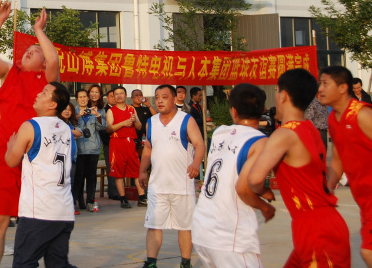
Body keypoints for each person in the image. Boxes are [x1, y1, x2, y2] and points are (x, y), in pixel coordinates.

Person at [0, 1, 60, 268]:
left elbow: (55, 59)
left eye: (35, 51)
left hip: (33, 162)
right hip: (4, 160)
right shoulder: (9, 73)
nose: (29, 52)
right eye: (27, 50)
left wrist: (39, 31)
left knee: (35, 223)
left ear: (43, 61)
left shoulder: (46, 82)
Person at [248, 68, 351, 268]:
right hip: (323, 224)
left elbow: (254, 178)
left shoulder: (284, 134)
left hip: (316, 231)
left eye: (276, 92)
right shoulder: (310, 128)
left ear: (283, 94)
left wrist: (264, 192)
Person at [191, 84, 274, 268]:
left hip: (202, 226)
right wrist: (266, 208)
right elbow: (243, 188)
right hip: (229, 234)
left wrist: (262, 190)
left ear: (233, 111)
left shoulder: (220, 133)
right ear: (262, 110)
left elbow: (233, 170)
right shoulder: (259, 141)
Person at [5, 82, 77, 268]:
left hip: (39, 212)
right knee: (57, 264)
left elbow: (11, 161)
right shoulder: (66, 129)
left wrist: (10, 148)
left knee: (24, 263)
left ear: (53, 104)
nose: (38, 94)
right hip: (64, 211)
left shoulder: (31, 126)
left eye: (44, 92)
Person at [138, 85, 205, 268]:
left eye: (164, 97)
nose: (159, 100)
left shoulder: (186, 120)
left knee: (185, 226)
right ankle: (151, 262)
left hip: (181, 185)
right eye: (157, 97)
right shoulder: (151, 122)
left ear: (174, 98)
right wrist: (142, 171)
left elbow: (199, 144)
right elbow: (148, 148)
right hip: (158, 185)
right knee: (153, 224)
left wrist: (195, 164)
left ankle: (185, 262)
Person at [320, 65, 372, 267]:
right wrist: (328, 188)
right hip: (364, 200)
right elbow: (338, 160)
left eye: (325, 83)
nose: (320, 89)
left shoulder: (362, 115)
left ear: (343, 87)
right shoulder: (333, 119)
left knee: (368, 252)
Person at [106, 86, 146, 208]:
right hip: (117, 142)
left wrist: (134, 121)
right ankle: (123, 198)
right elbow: (108, 128)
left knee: (136, 170)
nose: (119, 96)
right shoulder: (111, 110)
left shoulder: (131, 109)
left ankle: (142, 197)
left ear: (125, 95)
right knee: (118, 172)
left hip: (130, 142)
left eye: (121, 93)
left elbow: (139, 127)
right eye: (116, 94)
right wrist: (123, 123)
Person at [73, 87, 104, 213]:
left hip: (92, 148)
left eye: (85, 97)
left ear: (88, 98)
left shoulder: (93, 111)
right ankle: (79, 200)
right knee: (78, 176)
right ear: (77, 99)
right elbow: (69, 125)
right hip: (79, 149)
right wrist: (77, 116)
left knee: (91, 176)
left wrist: (97, 115)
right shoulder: (73, 111)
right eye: (80, 97)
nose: (83, 99)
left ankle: (90, 201)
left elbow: (102, 127)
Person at [94, 85, 119, 200]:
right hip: (109, 142)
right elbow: (102, 128)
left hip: (121, 142)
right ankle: (114, 192)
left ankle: (125, 190)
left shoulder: (121, 109)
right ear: (107, 98)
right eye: (111, 96)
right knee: (112, 167)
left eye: (116, 96)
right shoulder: (104, 111)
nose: (114, 98)